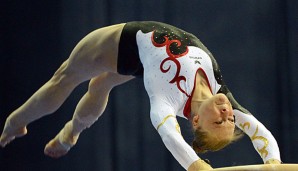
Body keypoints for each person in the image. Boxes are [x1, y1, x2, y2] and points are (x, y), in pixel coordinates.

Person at [0, 21, 281, 170]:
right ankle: (71, 132)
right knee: (99, 86)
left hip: (121, 45)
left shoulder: (167, 98)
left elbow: (170, 135)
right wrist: (274, 166)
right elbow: (260, 132)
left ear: (195, 121)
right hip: (141, 57)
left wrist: (194, 166)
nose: (227, 114)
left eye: (219, 123)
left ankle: (15, 122)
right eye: (232, 120)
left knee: (66, 78)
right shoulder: (223, 94)